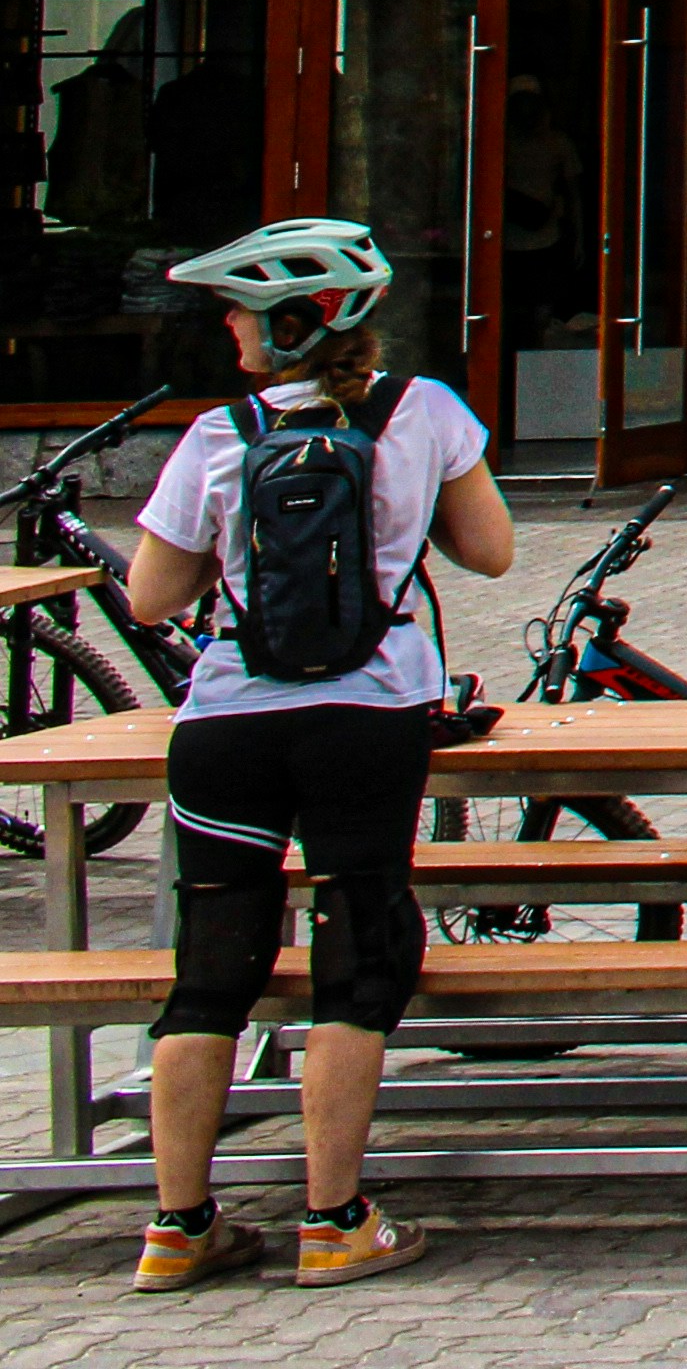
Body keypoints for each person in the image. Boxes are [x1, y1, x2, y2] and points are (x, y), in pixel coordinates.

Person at [117, 217, 506, 1293]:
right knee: (357, 958)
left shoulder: (217, 434)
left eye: (240, 313)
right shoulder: (425, 412)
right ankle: (334, 1222)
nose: (230, 329)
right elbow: (491, 552)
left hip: (227, 724)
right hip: (367, 718)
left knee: (211, 969)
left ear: (294, 323)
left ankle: (178, 1227)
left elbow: (149, 597)